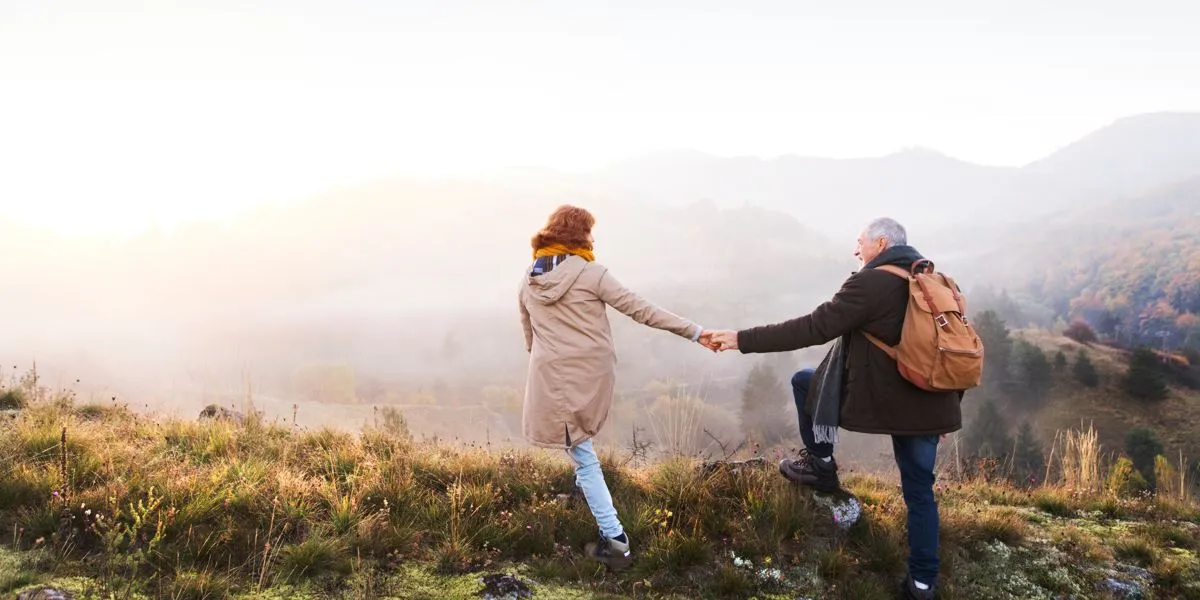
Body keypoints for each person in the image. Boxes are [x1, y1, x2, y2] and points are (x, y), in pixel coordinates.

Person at [703, 217, 962, 600]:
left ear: (881, 243)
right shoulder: (937, 283)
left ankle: (821, 465)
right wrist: (947, 408)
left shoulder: (870, 283)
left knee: (804, 381)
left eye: (860, 243)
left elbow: (812, 327)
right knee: (920, 491)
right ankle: (923, 584)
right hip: (931, 401)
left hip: (889, 398)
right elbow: (958, 351)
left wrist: (741, 339)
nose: (856, 251)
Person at [518, 204, 708, 570]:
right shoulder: (592, 274)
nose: (592, 239)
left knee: (576, 442)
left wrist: (549, 358)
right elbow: (641, 309)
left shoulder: (528, 278)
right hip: (590, 372)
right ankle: (617, 541)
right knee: (582, 449)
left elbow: (529, 334)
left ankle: (593, 503)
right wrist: (695, 332)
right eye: (589, 232)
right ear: (578, 236)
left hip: (550, 373)